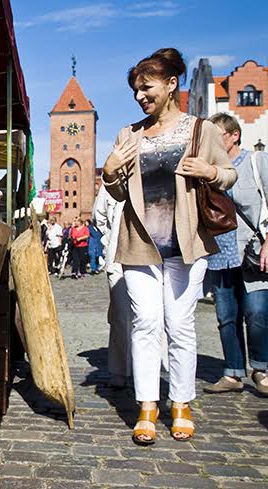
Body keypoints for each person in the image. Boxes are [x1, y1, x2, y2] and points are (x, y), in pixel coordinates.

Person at [102, 48, 236, 445]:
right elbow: (120, 190)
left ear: (171, 84)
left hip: (186, 242)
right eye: (135, 91)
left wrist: (210, 171)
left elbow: (227, 173)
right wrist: (110, 173)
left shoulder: (201, 130)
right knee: (144, 324)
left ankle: (181, 402)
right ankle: (147, 405)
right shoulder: (129, 135)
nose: (140, 96)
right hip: (141, 243)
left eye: (146, 88)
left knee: (179, 325)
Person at [203, 113, 268, 396]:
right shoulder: (208, 172)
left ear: (234, 135)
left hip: (252, 251)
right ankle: (233, 373)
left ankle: (261, 369)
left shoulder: (257, 162)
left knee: (257, 312)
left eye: (216, 136)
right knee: (226, 316)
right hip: (220, 252)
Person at [93, 186, 133, 388]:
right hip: (117, 257)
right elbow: (98, 216)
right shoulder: (109, 183)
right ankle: (120, 369)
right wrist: (109, 239)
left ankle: (152, 368)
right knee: (120, 315)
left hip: (150, 255)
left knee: (151, 315)